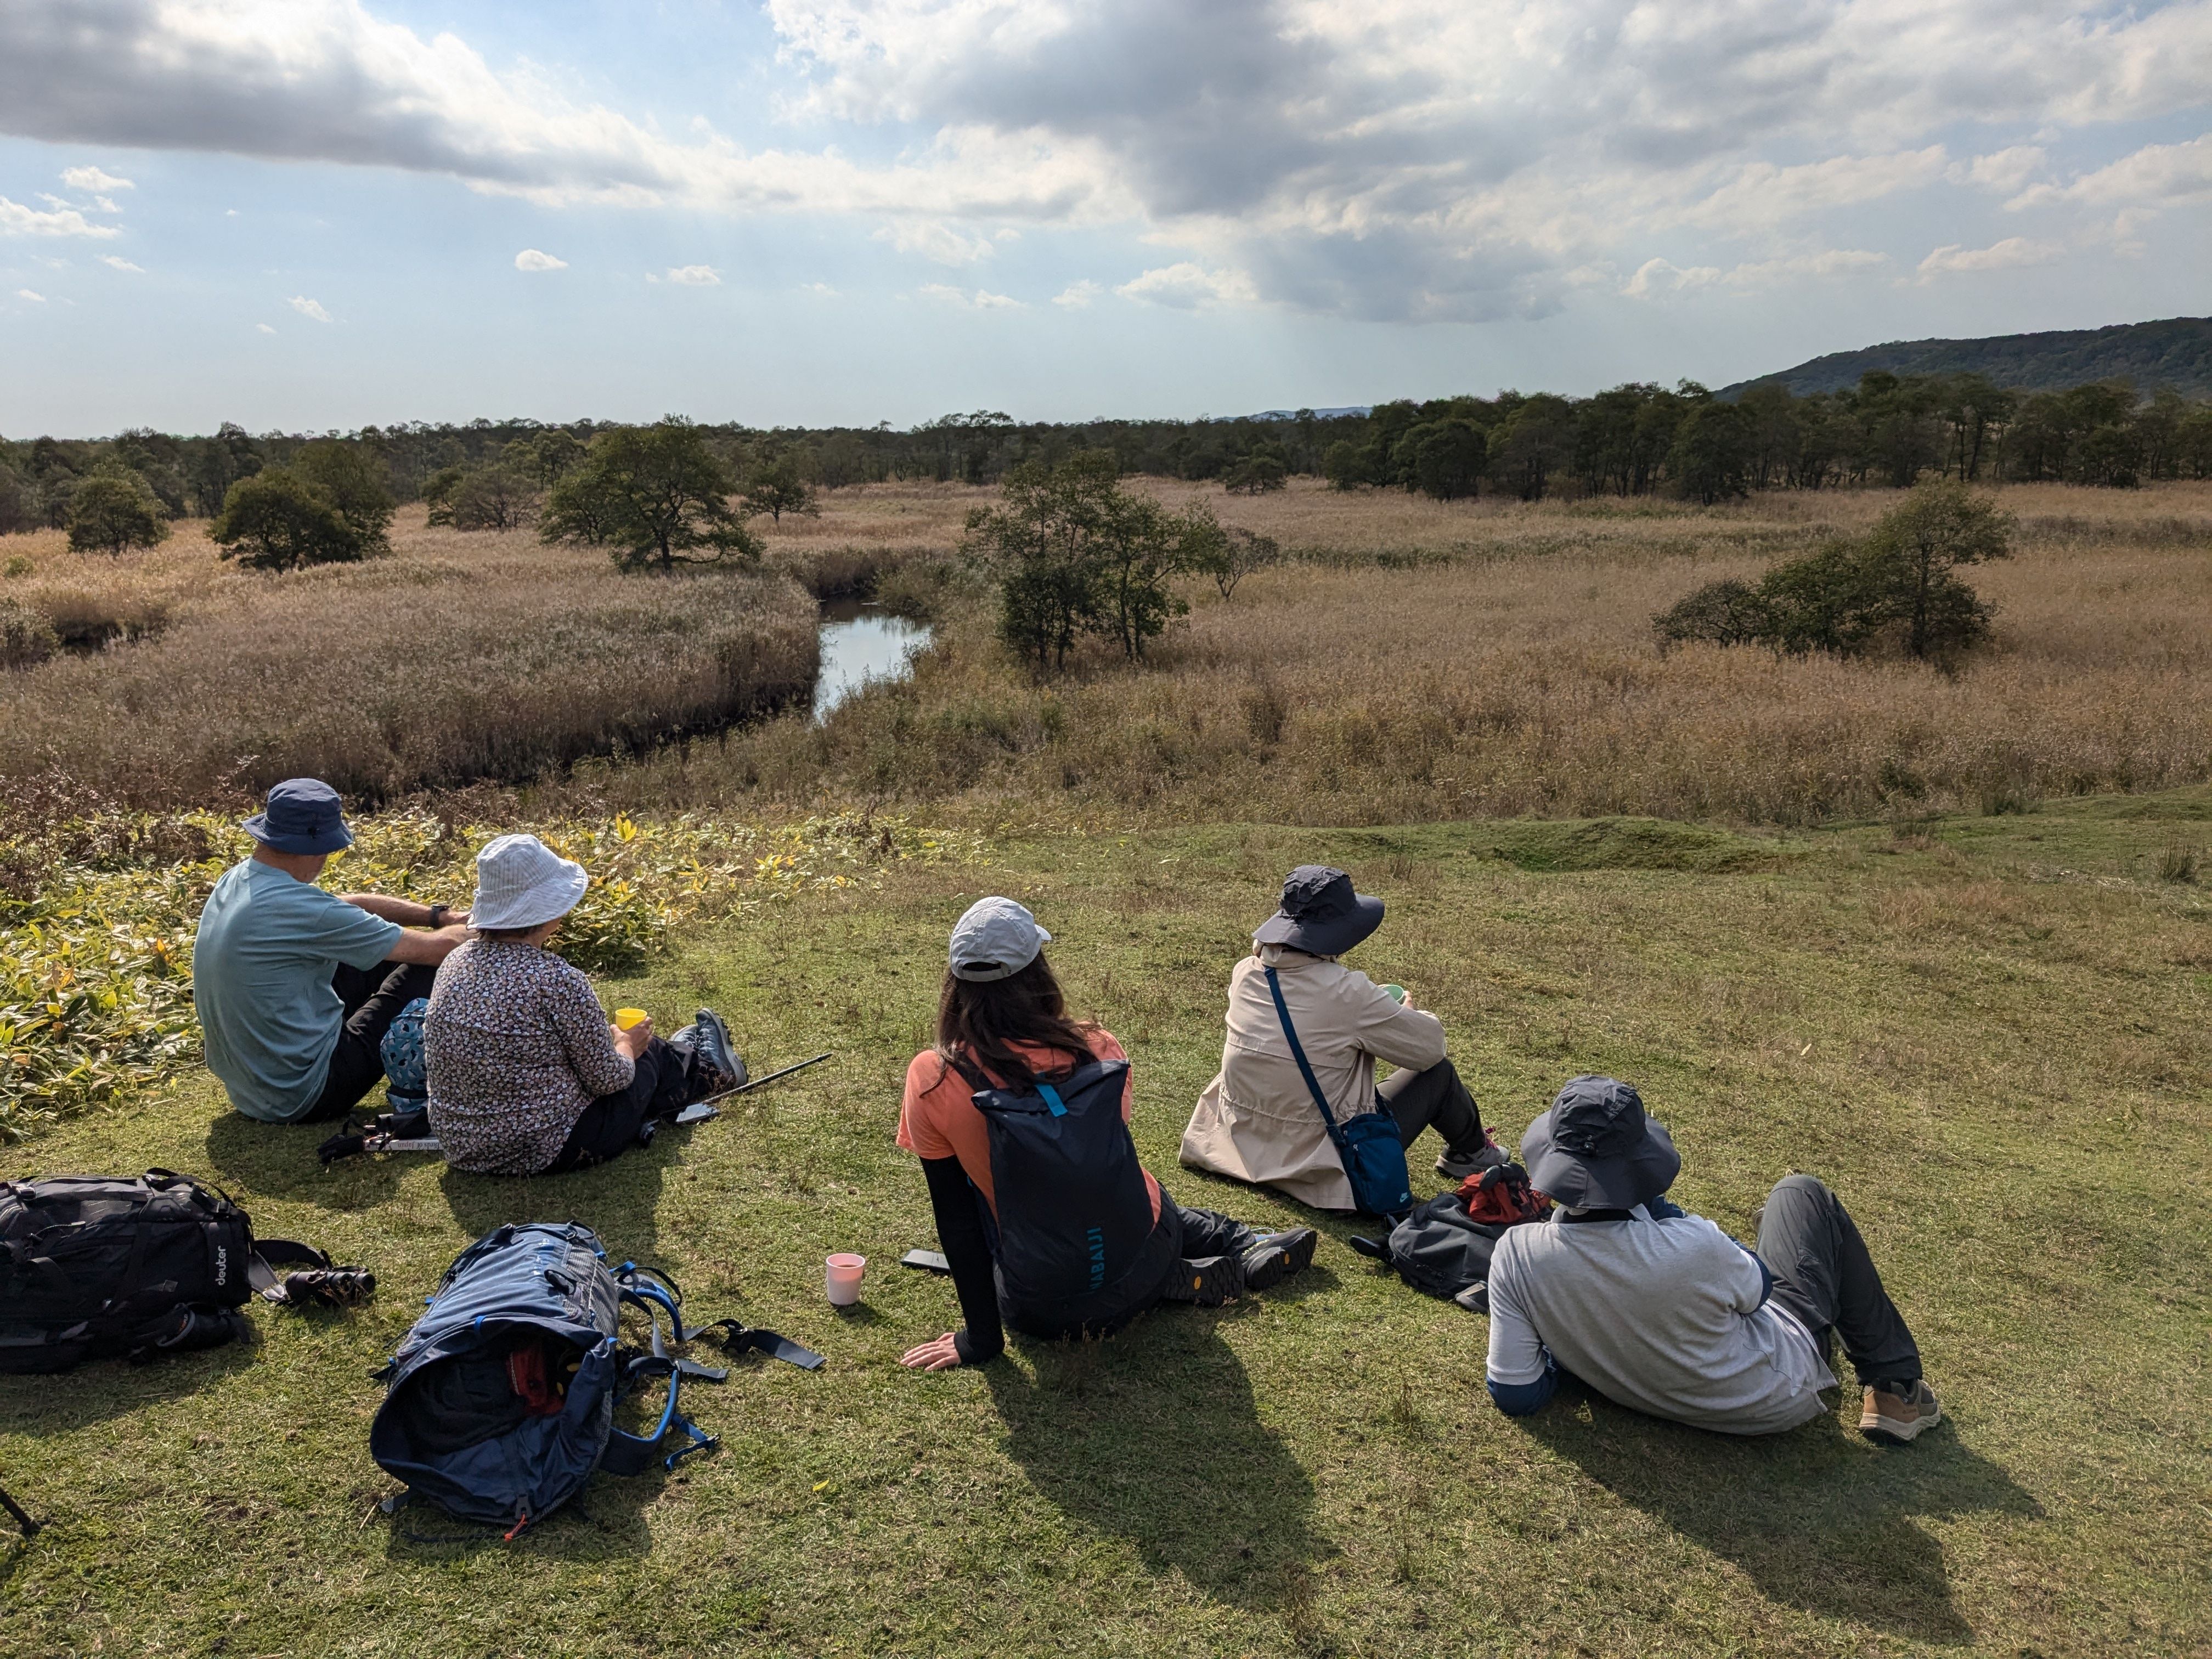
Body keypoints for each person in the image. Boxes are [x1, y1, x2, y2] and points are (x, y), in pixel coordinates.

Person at [898, 897, 1319, 1370]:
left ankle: (1177, 1280)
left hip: (1047, 1307)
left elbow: (956, 1222)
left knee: (990, 1216)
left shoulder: (932, 1076)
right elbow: (1093, 1167)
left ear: (955, 985)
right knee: (1144, 1195)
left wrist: (980, 1340)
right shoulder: (1096, 1046)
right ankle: (1237, 1243)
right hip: (1144, 1248)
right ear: (1039, 972)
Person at [1484, 1075, 1941, 1444]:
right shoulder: (1692, 1242)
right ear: (1642, 1162)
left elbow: (1516, 1392)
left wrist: (1574, 1353)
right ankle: (1896, 1390)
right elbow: (1760, 1292)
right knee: (1799, 1194)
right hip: (1772, 1399)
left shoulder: (1517, 1253)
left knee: (1779, 1239)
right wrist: (1683, 1224)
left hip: (1640, 1390)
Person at [1180, 865, 1497, 1210]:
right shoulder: (1350, 993)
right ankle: (1471, 1152)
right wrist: (1411, 1013)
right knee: (1438, 1075)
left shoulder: (1246, 973)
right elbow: (1430, 1050)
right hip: (1323, 1162)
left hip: (1237, 1146)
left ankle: (1471, 1151)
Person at [423, 833, 740, 1176]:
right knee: (647, 1056)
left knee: (630, 1050)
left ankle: (684, 1055)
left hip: (463, 1147)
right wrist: (625, 1045)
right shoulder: (558, 979)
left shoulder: (454, 962)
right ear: (550, 912)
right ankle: (713, 1072)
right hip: (549, 1148)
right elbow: (610, 1079)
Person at [193, 777, 471, 1124]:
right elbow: (441, 949)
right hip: (307, 1093)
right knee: (432, 967)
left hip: (251, 1089)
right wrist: (489, 922)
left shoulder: (239, 880)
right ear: (318, 847)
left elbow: (347, 905)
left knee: (386, 949)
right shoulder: (299, 907)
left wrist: (437, 916)